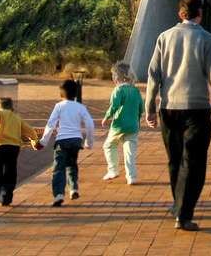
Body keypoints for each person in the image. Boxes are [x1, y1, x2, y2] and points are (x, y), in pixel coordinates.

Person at [145, 0, 211, 231]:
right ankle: (183, 213)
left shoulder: (164, 37)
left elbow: (153, 74)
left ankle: (178, 204)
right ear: (200, 14)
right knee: (194, 161)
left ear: (180, 14)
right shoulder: (206, 39)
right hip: (197, 108)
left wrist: (150, 108)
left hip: (169, 108)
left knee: (175, 160)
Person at [44, 78, 95, 206]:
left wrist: (43, 141)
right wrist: (89, 142)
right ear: (76, 93)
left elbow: (51, 124)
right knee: (72, 164)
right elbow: (90, 123)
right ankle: (73, 189)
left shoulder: (59, 106)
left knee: (59, 168)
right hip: (76, 141)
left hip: (62, 141)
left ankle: (59, 194)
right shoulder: (80, 107)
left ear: (61, 93)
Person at [102, 62, 143, 185]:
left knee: (109, 145)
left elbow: (114, 106)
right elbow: (141, 108)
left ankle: (113, 170)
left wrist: (106, 117)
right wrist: (138, 119)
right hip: (133, 126)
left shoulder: (118, 90)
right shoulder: (136, 91)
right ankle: (131, 177)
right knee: (130, 152)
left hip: (118, 125)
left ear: (117, 77)